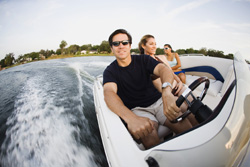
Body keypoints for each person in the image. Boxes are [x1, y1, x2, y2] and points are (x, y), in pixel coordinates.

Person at [103, 29, 193, 149]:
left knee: (183, 124)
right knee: (147, 134)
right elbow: (109, 93)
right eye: (116, 43)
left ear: (130, 45)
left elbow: (163, 70)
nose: (121, 46)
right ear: (111, 48)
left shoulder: (143, 60)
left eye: (124, 42)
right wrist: (131, 119)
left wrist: (166, 92)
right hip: (137, 109)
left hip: (159, 101)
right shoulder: (110, 71)